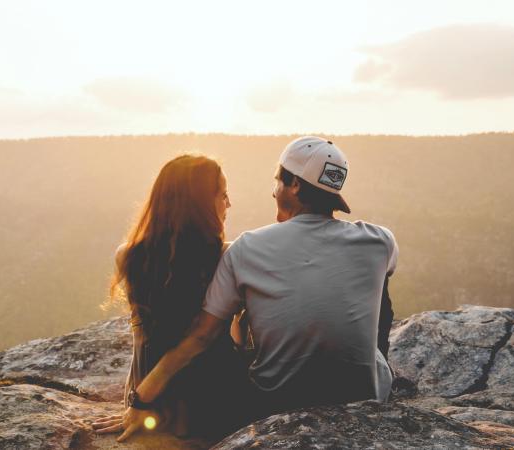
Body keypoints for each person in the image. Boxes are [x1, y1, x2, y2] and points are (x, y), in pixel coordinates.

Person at [108, 136, 399, 442]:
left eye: (278, 181)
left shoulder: (248, 248)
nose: (273, 190)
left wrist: (142, 396)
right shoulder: (380, 241)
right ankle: (364, 367)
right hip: (364, 396)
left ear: (295, 186)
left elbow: (200, 334)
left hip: (274, 400)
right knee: (380, 282)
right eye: (224, 195)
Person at [92, 154, 245, 439]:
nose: (229, 204)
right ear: (200, 205)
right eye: (223, 195)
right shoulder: (228, 256)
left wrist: (137, 401)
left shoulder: (128, 256)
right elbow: (203, 339)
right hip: (217, 399)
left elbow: (141, 339)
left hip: (160, 403)